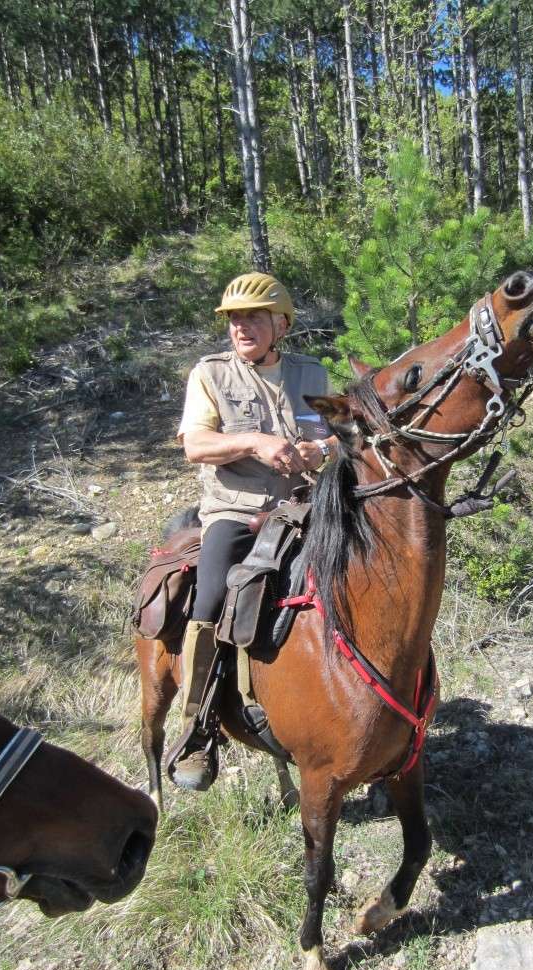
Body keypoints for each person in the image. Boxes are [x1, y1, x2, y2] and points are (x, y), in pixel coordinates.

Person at [170, 272, 335, 790]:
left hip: (304, 506)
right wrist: (254, 442)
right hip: (236, 509)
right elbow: (196, 444)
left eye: (253, 318)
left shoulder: (311, 373)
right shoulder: (210, 374)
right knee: (212, 595)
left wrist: (321, 451)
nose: (241, 327)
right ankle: (198, 729)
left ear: (280, 324)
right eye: (234, 319)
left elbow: (333, 438)